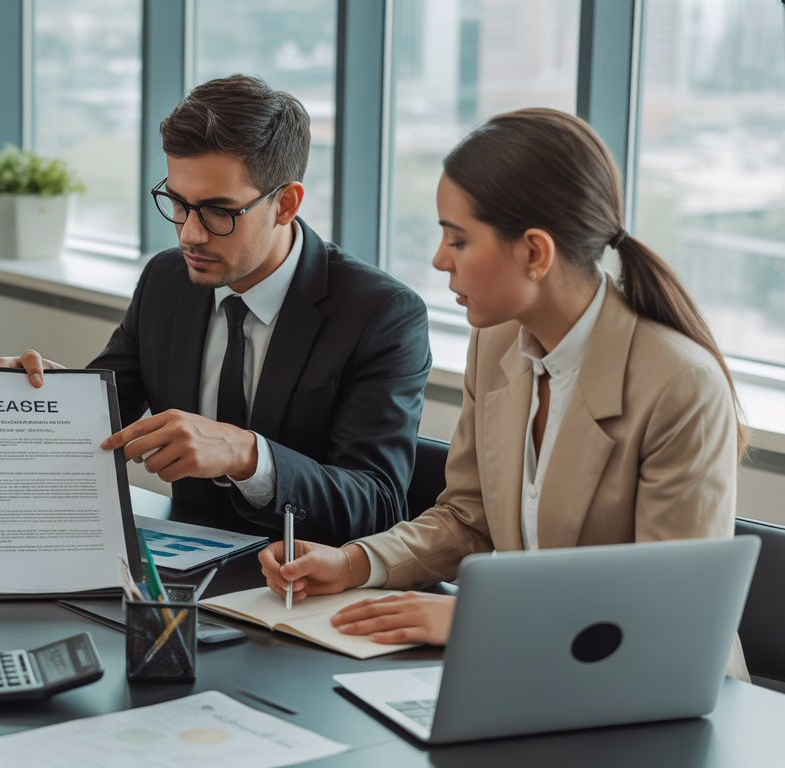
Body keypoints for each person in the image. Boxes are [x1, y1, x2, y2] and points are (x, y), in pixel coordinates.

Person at [258, 107, 748, 679]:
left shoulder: (679, 385)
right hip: (533, 674)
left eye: (458, 240)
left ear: (535, 253)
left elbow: (667, 606)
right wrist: (355, 561)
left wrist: (476, 617)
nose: (439, 259)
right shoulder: (496, 343)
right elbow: (470, 517)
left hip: (656, 687)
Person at [0, 75, 431, 543]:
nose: (189, 235)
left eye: (218, 211)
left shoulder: (382, 314)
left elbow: (378, 506)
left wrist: (249, 456)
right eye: (178, 204)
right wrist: (39, 404)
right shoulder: (167, 280)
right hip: (184, 569)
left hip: (307, 585)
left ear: (285, 203)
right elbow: (102, 419)